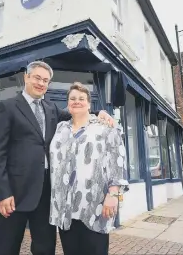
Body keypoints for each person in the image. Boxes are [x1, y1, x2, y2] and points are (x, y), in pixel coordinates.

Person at [0, 61, 115, 255]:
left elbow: (75, 113)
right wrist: (2, 193)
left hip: (46, 195)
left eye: (45, 80)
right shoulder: (7, 107)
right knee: (7, 247)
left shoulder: (51, 108)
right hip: (15, 194)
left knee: (45, 248)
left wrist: (99, 112)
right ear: (26, 77)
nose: (41, 83)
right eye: (37, 78)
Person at [49, 82, 129, 255]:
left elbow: (119, 163)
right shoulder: (60, 128)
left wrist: (114, 195)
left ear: (89, 103)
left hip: (95, 206)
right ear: (68, 102)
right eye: (72, 98)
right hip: (65, 209)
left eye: (81, 98)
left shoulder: (105, 127)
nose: (76, 101)